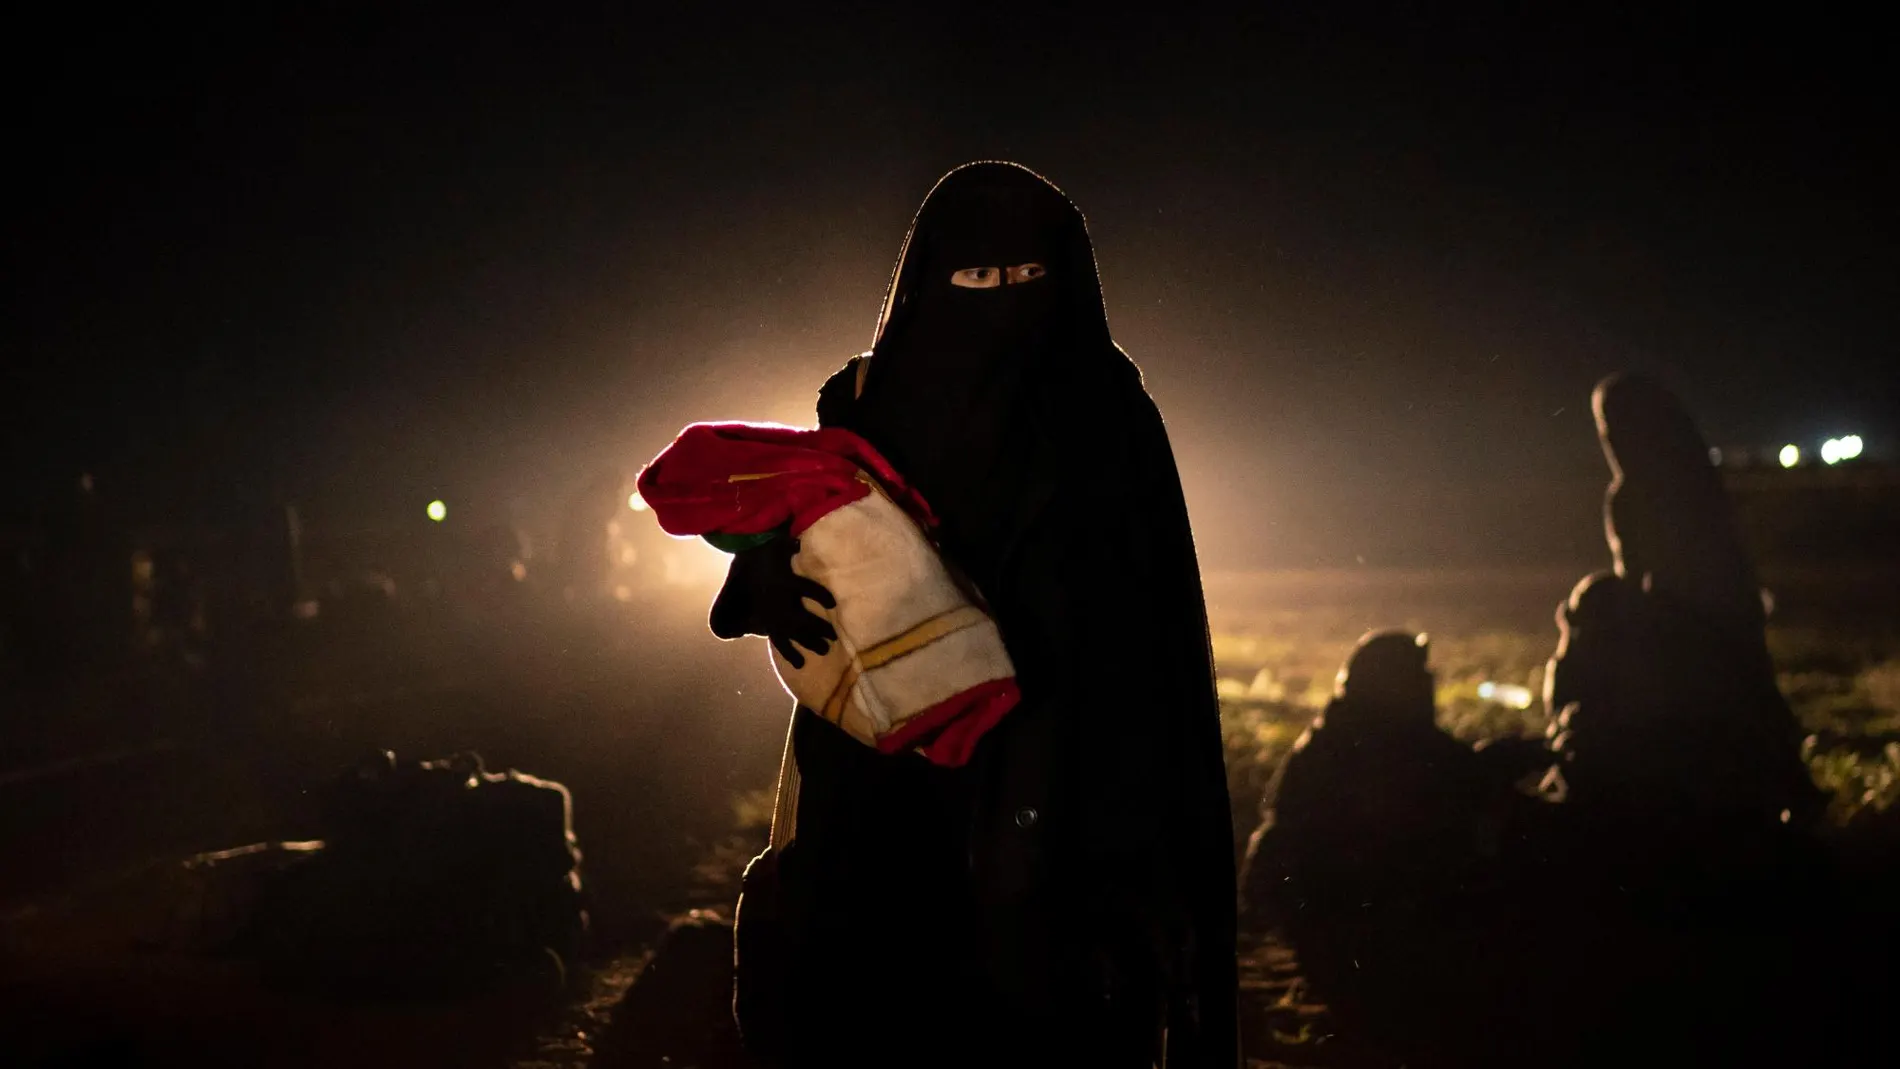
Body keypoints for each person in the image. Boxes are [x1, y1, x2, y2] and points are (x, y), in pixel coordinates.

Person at [714, 162, 1236, 1068]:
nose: (1004, 302)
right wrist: (760, 579)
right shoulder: (868, 399)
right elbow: (806, 515)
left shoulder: (1107, 408)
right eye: (976, 279)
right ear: (928, 282)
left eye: (1030, 279)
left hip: (1063, 749)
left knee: (1037, 1003)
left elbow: (1151, 594)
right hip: (887, 756)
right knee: (875, 994)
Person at [1241, 630, 1544, 1066]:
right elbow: (1450, 787)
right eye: (1418, 676)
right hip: (1359, 932)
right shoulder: (1374, 745)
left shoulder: (1353, 736)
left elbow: (1456, 771)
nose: (1429, 683)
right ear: (1394, 685)